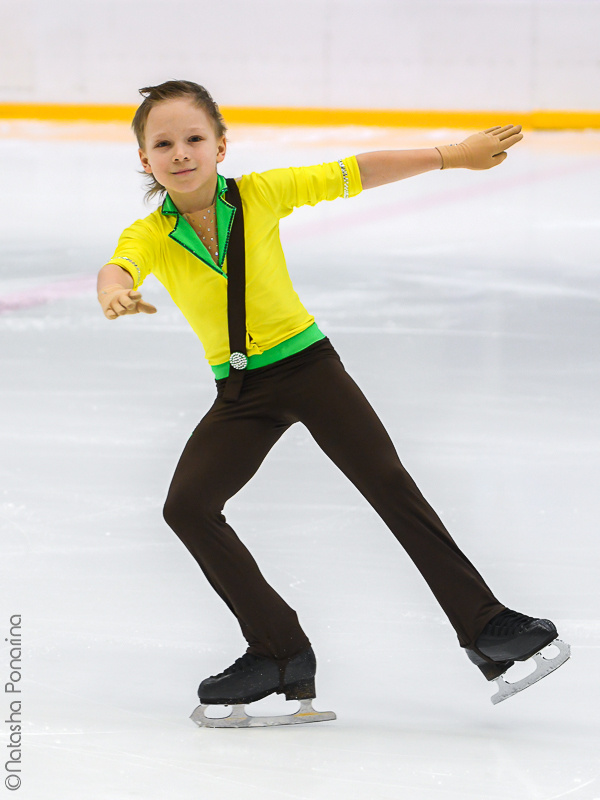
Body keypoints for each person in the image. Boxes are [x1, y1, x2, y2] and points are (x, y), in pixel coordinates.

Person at [97, 80, 569, 725]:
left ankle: (485, 626)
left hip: (309, 368)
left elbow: (357, 171)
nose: (180, 153)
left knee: (388, 484)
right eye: (163, 144)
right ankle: (279, 652)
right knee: (188, 507)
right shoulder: (152, 233)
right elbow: (120, 264)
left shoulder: (261, 194)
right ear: (144, 159)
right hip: (241, 391)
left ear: (220, 146)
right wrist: (113, 290)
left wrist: (452, 156)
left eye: (194, 138)